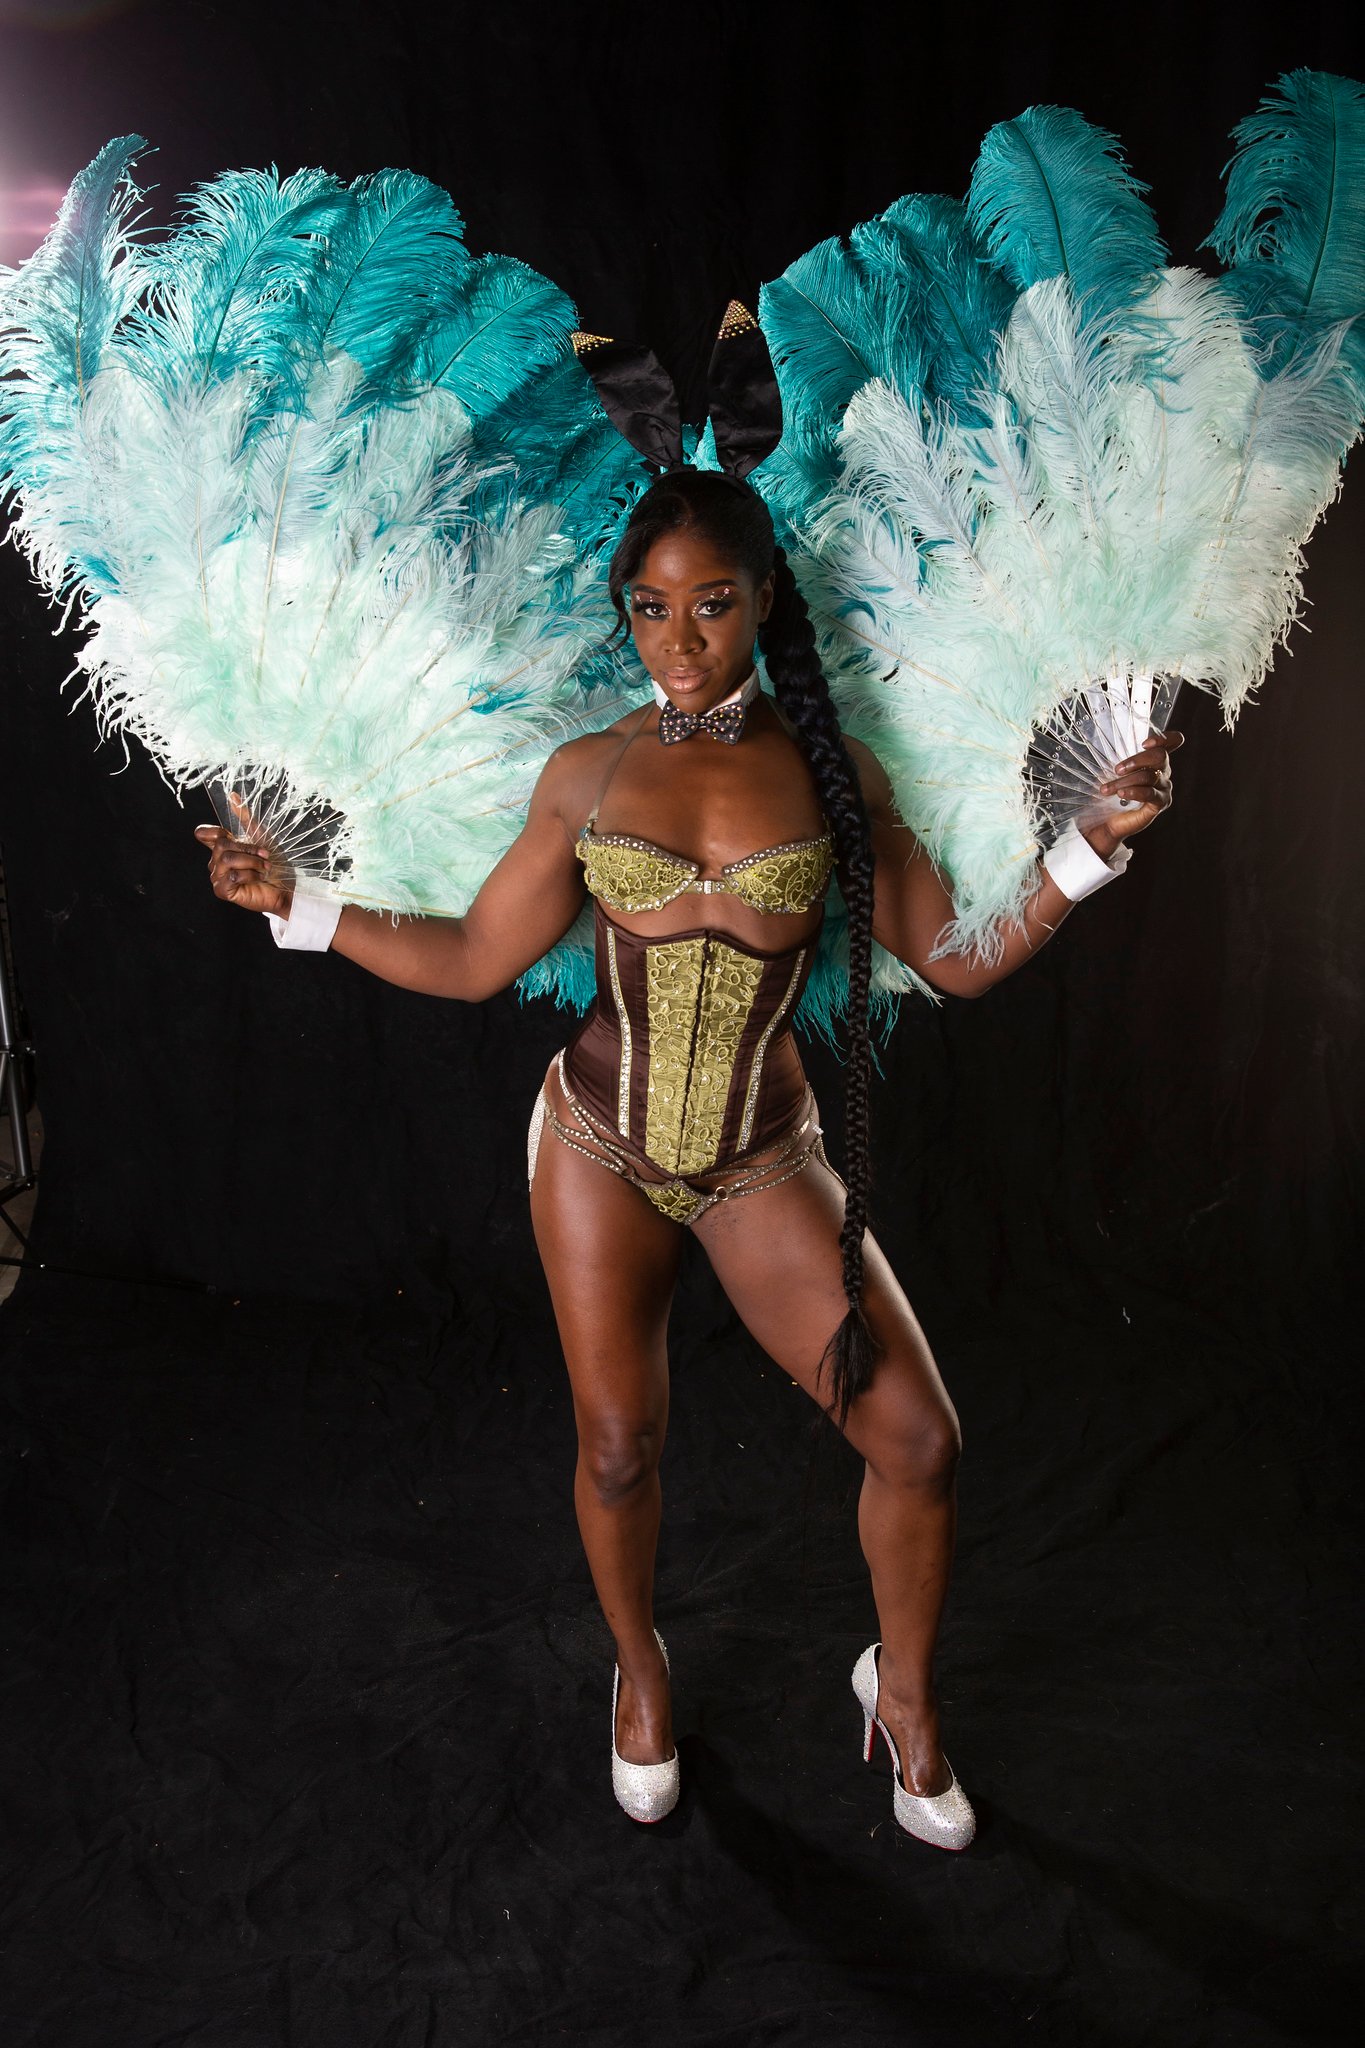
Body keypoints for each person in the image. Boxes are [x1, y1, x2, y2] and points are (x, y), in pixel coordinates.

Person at [195, 467, 1178, 1849]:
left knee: (917, 1441)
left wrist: (1087, 849)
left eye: (711, 604)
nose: (680, 638)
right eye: (649, 609)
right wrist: (297, 903)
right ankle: (640, 1674)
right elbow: (473, 958)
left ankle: (901, 1693)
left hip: (759, 1156)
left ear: (763, 602)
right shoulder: (588, 772)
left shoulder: (835, 774)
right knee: (616, 1451)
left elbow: (952, 962)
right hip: (597, 1140)